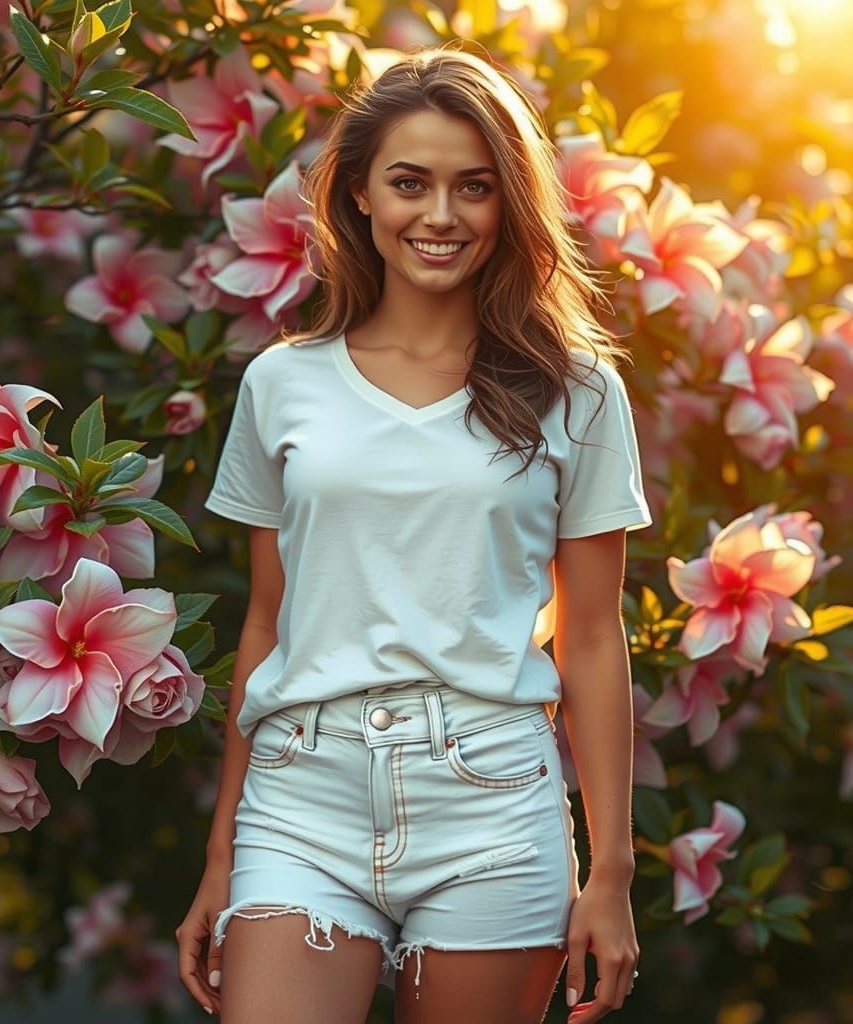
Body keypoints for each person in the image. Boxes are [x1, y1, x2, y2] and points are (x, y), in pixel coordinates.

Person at [176, 42, 649, 1024]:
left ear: (508, 204)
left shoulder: (578, 392)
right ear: (358, 193)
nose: (441, 214)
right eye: (409, 183)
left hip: (490, 799)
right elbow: (267, 625)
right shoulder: (282, 383)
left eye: (474, 187)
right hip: (301, 799)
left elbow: (592, 638)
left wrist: (611, 872)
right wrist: (222, 853)